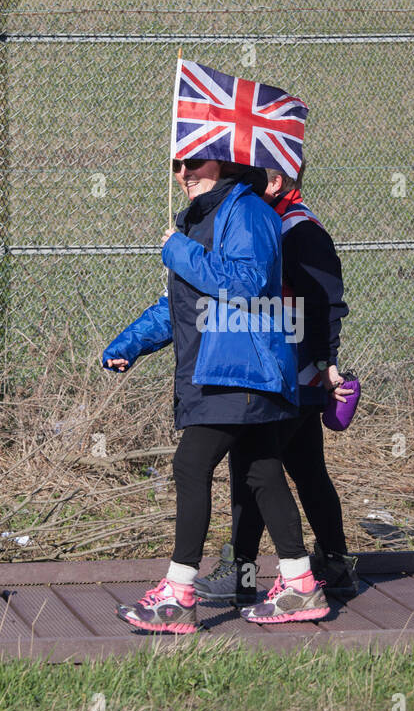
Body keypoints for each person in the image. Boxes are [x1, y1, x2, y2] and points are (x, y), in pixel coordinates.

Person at [102, 157, 329, 633]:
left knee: (191, 465)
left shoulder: (249, 211)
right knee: (261, 471)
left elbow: (248, 284)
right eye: (175, 165)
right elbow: (181, 306)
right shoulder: (200, 219)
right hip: (217, 368)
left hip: (239, 367)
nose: (183, 174)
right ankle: (301, 585)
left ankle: (178, 596)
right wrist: (130, 343)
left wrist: (178, 251)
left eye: (193, 163)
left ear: (225, 161)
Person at [194, 165, 358, 606]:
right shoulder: (270, 222)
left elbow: (327, 303)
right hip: (283, 366)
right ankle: (336, 565)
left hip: (295, 370)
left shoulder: (299, 231)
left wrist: (327, 364)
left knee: (253, 464)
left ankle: (241, 573)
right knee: (305, 470)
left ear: (275, 183)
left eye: (247, 179)